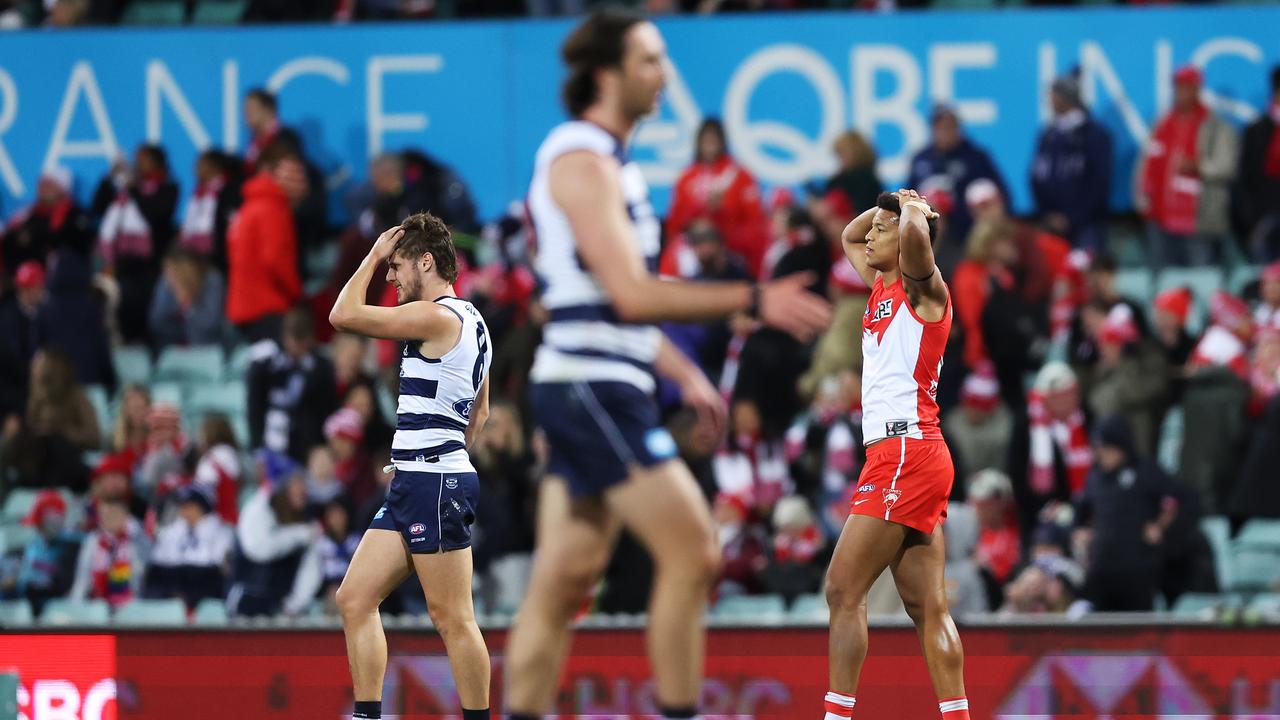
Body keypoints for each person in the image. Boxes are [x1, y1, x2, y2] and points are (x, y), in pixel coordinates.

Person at [504, 13, 830, 720]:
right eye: (650, 60)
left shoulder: (605, 163)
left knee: (562, 582)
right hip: (592, 386)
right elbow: (630, 294)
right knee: (694, 552)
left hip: (594, 375)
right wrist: (753, 298)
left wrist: (682, 372)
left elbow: (598, 305)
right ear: (605, 75)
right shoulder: (583, 162)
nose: (666, 73)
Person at [328, 212, 494, 720]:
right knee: (354, 599)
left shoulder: (437, 316)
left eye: (397, 268)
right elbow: (480, 412)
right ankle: (367, 714)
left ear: (427, 262)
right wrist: (426, 451)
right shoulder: (474, 321)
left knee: (453, 619)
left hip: (433, 482)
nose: (392, 278)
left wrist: (373, 253)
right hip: (423, 478)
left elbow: (343, 316)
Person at [823, 189, 969, 720]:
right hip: (908, 452)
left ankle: (836, 717)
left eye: (885, 229)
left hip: (904, 451)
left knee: (842, 588)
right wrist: (893, 204)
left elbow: (911, 242)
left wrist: (912, 215)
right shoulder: (881, 286)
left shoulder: (925, 291)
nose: (874, 234)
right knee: (927, 606)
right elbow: (849, 235)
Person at [1136, 65, 1239, 271]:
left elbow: (1228, 166)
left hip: (1197, 219)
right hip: (1161, 216)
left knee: (1200, 276)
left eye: (1185, 87)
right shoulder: (1164, 124)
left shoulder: (1216, 126)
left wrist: (1199, 166)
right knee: (1164, 279)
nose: (1180, 92)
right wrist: (1141, 196)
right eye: (1177, 87)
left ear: (1197, 89)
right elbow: (1146, 162)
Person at [1073, 415, 1180, 612]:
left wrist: (1159, 525)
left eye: (1106, 449)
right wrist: (1081, 532)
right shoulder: (1094, 477)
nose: (1101, 454)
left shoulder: (1146, 470)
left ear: (1120, 446)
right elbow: (1082, 513)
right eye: (1098, 449)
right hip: (1101, 568)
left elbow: (1174, 500)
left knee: (1138, 629)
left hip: (1137, 569)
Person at [91, 143, 179, 343]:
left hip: (149, 269)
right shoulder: (125, 191)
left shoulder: (168, 188)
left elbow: (155, 214)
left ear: (157, 162)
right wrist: (110, 176)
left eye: (143, 159)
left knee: (148, 319)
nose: (137, 163)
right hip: (122, 267)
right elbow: (97, 208)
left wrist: (133, 189)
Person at [906, 105, 1007, 272]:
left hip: (965, 234)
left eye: (951, 127)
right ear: (934, 129)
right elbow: (908, 194)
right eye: (941, 127)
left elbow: (1000, 193)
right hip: (929, 236)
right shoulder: (921, 159)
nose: (946, 132)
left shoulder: (975, 157)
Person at [665, 117, 770, 277]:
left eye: (713, 140)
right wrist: (698, 212)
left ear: (722, 142)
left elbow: (754, 226)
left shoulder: (739, 176)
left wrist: (722, 215)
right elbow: (675, 224)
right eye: (705, 140)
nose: (709, 145)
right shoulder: (686, 177)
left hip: (729, 252)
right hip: (691, 250)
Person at [225, 140, 303, 343]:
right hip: (269, 308)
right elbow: (275, 260)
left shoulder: (248, 207)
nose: (296, 180)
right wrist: (297, 294)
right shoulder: (273, 207)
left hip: (243, 307)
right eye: (291, 173)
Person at [1030, 71, 1113, 252]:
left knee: (1086, 276)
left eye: (1054, 95)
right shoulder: (1048, 134)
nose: (1049, 100)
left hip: (1086, 225)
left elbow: (1100, 183)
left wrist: (1072, 218)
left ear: (1066, 97)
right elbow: (1036, 176)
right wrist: (1049, 215)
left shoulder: (1094, 134)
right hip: (1051, 225)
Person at [246, 306, 339, 463]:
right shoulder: (266, 365)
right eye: (293, 342)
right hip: (272, 443)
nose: (296, 350)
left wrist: (322, 447)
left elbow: (327, 410)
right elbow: (255, 407)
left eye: (301, 344)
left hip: (308, 448)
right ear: (284, 337)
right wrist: (257, 448)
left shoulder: (322, 369)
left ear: (310, 340)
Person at [1236, 65, 1280, 263]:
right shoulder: (1255, 132)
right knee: (1267, 284)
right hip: (1264, 221)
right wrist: (1253, 221)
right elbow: (1243, 180)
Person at [147, 248, 227, 348]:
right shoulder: (165, 282)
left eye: (175, 271)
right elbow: (156, 322)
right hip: (171, 348)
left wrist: (188, 306)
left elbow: (211, 325)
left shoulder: (212, 281)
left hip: (206, 347)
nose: (169, 276)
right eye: (167, 270)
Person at [827, 130, 883, 216]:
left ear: (854, 152)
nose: (841, 160)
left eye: (842, 154)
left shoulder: (862, 181)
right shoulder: (871, 179)